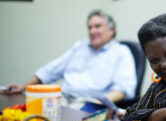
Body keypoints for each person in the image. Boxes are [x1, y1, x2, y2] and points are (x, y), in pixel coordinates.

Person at [2, 10, 137, 108]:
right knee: (21, 111)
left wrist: (97, 104)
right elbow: (50, 70)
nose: (92, 31)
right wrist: (23, 86)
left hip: (89, 103)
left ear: (111, 30)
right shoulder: (81, 46)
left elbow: (125, 88)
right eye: (89, 27)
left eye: (97, 26)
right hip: (62, 97)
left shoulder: (121, 52)